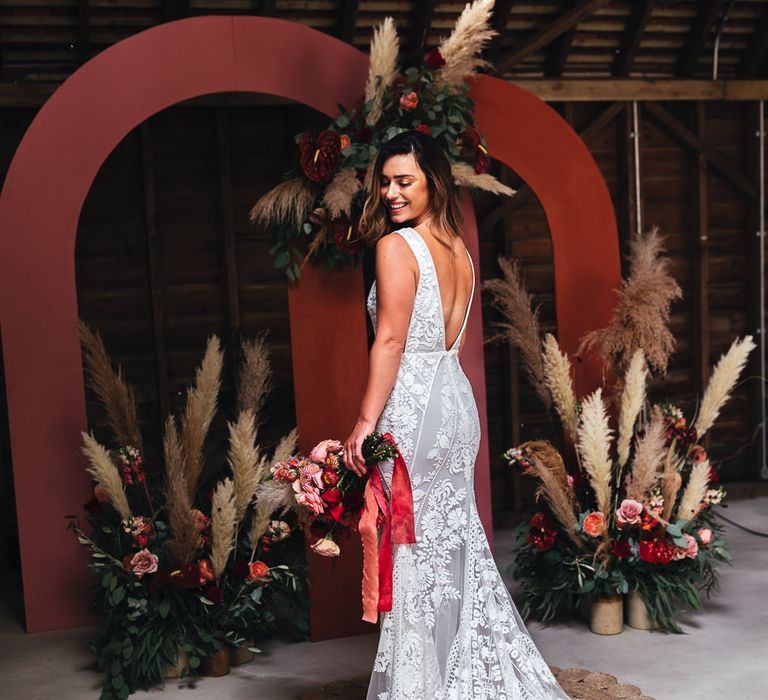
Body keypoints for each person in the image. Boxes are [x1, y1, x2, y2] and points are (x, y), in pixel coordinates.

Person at [343, 130, 570, 700]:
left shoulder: (396, 247)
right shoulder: (458, 248)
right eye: (386, 181)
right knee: (453, 544)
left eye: (405, 181)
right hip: (456, 406)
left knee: (414, 548)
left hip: (416, 405)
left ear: (433, 183)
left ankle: (423, 686)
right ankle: (456, 676)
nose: (391, 193)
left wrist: (366, 422)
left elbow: (391, 341)